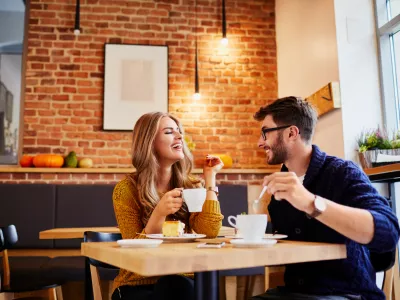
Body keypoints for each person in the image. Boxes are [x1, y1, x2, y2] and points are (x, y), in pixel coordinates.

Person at [252, 97, 400, 300]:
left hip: (348, 294)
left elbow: (389, 232)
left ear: (291, 133)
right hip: (296, 293)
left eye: (265, 133)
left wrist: (311, 203)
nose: (260, 142)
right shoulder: (280, 189)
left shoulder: (342, 172)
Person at [111, 112, 224, 300]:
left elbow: (209, 231)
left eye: (179, 132)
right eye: (169, 132)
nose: (179, 136)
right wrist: (159, 213)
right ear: (149, 142)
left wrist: (210, 178)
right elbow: (134, 255)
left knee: (177, 284)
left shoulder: (191, 185)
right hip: (138, 285)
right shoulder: (126, 190)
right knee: (174, 286)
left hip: (183, 280)